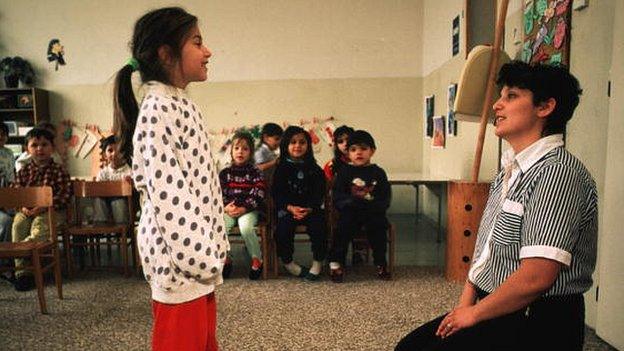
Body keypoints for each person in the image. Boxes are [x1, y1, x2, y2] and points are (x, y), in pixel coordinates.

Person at [396, 61, 597, 351]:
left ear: (545, 107)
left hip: (537, 318)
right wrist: (465, 305)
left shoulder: (556, 173)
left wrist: (474, 314)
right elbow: (485, 249)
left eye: (511, 96)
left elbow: (537, 277)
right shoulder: (511, 169)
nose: (497, 106)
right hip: (494, 306)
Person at [113, 7, 228, 351]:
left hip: (197, 260)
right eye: (197, 42)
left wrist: (212, 249)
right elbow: (169, 196)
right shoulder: (157, 110)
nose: (207, 52)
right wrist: (203, 257)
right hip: (182, 262)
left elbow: (200, 183)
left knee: (204, 343)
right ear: (166, 54)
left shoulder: (180, 103)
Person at [10, 128, 71, 291]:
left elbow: (64, 195)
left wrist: (42, 206)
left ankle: (16, 253)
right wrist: (22, 206)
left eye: (44, 145)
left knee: (39, 227)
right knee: (18, 226)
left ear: (52, 147)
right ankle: (23, 273)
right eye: (34, 145)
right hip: (26, 211)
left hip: (51, 212)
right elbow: (15, 193)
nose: (39, 149)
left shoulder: (58, 171)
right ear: (27, 149)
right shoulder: (23, 172)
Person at [328, 130, 391, 282]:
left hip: (372, 212)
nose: (358, 153)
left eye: (363, 149)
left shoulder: (378, 172)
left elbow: (385, 196)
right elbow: (337, 195)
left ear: (372, 151)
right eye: (353, 149)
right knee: (342, 228)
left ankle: (380, 262)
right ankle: (336, 263)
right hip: (351, 212)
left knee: (379, 227)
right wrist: (349, 203)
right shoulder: (344, 172)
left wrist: (375, 207)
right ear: (348, 153)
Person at [272, 126, 326, 281]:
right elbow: (277, 193)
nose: (297, 146)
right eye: (293, 142)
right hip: (288, 210)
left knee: (319, 228)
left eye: (302, 142)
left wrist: (309, 208)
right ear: (286, 146)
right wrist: (290, 208)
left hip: (311, 209)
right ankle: (288, 263)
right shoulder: (281, 168)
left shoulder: (315, 169)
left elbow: (319, 192)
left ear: (308, 146)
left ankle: (317, 262)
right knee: (282, 230)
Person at [219, 131, 266, 280]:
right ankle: (226, 258)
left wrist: (244, 208)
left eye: (245, 149)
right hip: (229, 209)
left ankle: (257, 259)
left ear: (250, 152)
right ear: (231, 151)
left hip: (249, 209)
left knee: (245, 226)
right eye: (237, 148)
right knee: (220, 226)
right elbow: (218, 193)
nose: (240, 152)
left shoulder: (255, 171)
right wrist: (226, 207)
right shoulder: (225, 173)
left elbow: (258, 192)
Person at [92, 135, 132, 224]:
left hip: (124, 209)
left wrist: (130, 183)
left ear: (124, 152)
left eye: (118, 150)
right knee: (98, 198)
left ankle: (122, 226)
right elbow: (97, 189)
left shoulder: (129, 171)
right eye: (110, 150)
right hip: (106, 208)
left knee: (118, 201)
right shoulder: (103, 173)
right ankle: (100, 225)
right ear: (104, 155)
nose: (114, 153)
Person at [0, 122, 15, 273]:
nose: (0, 137)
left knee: (20, 219)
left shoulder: (9, 153)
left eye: (3, 134)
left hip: (7, 199)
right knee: (6, 222)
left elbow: (11, 180)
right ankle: (4, 261)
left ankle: (17, 260)